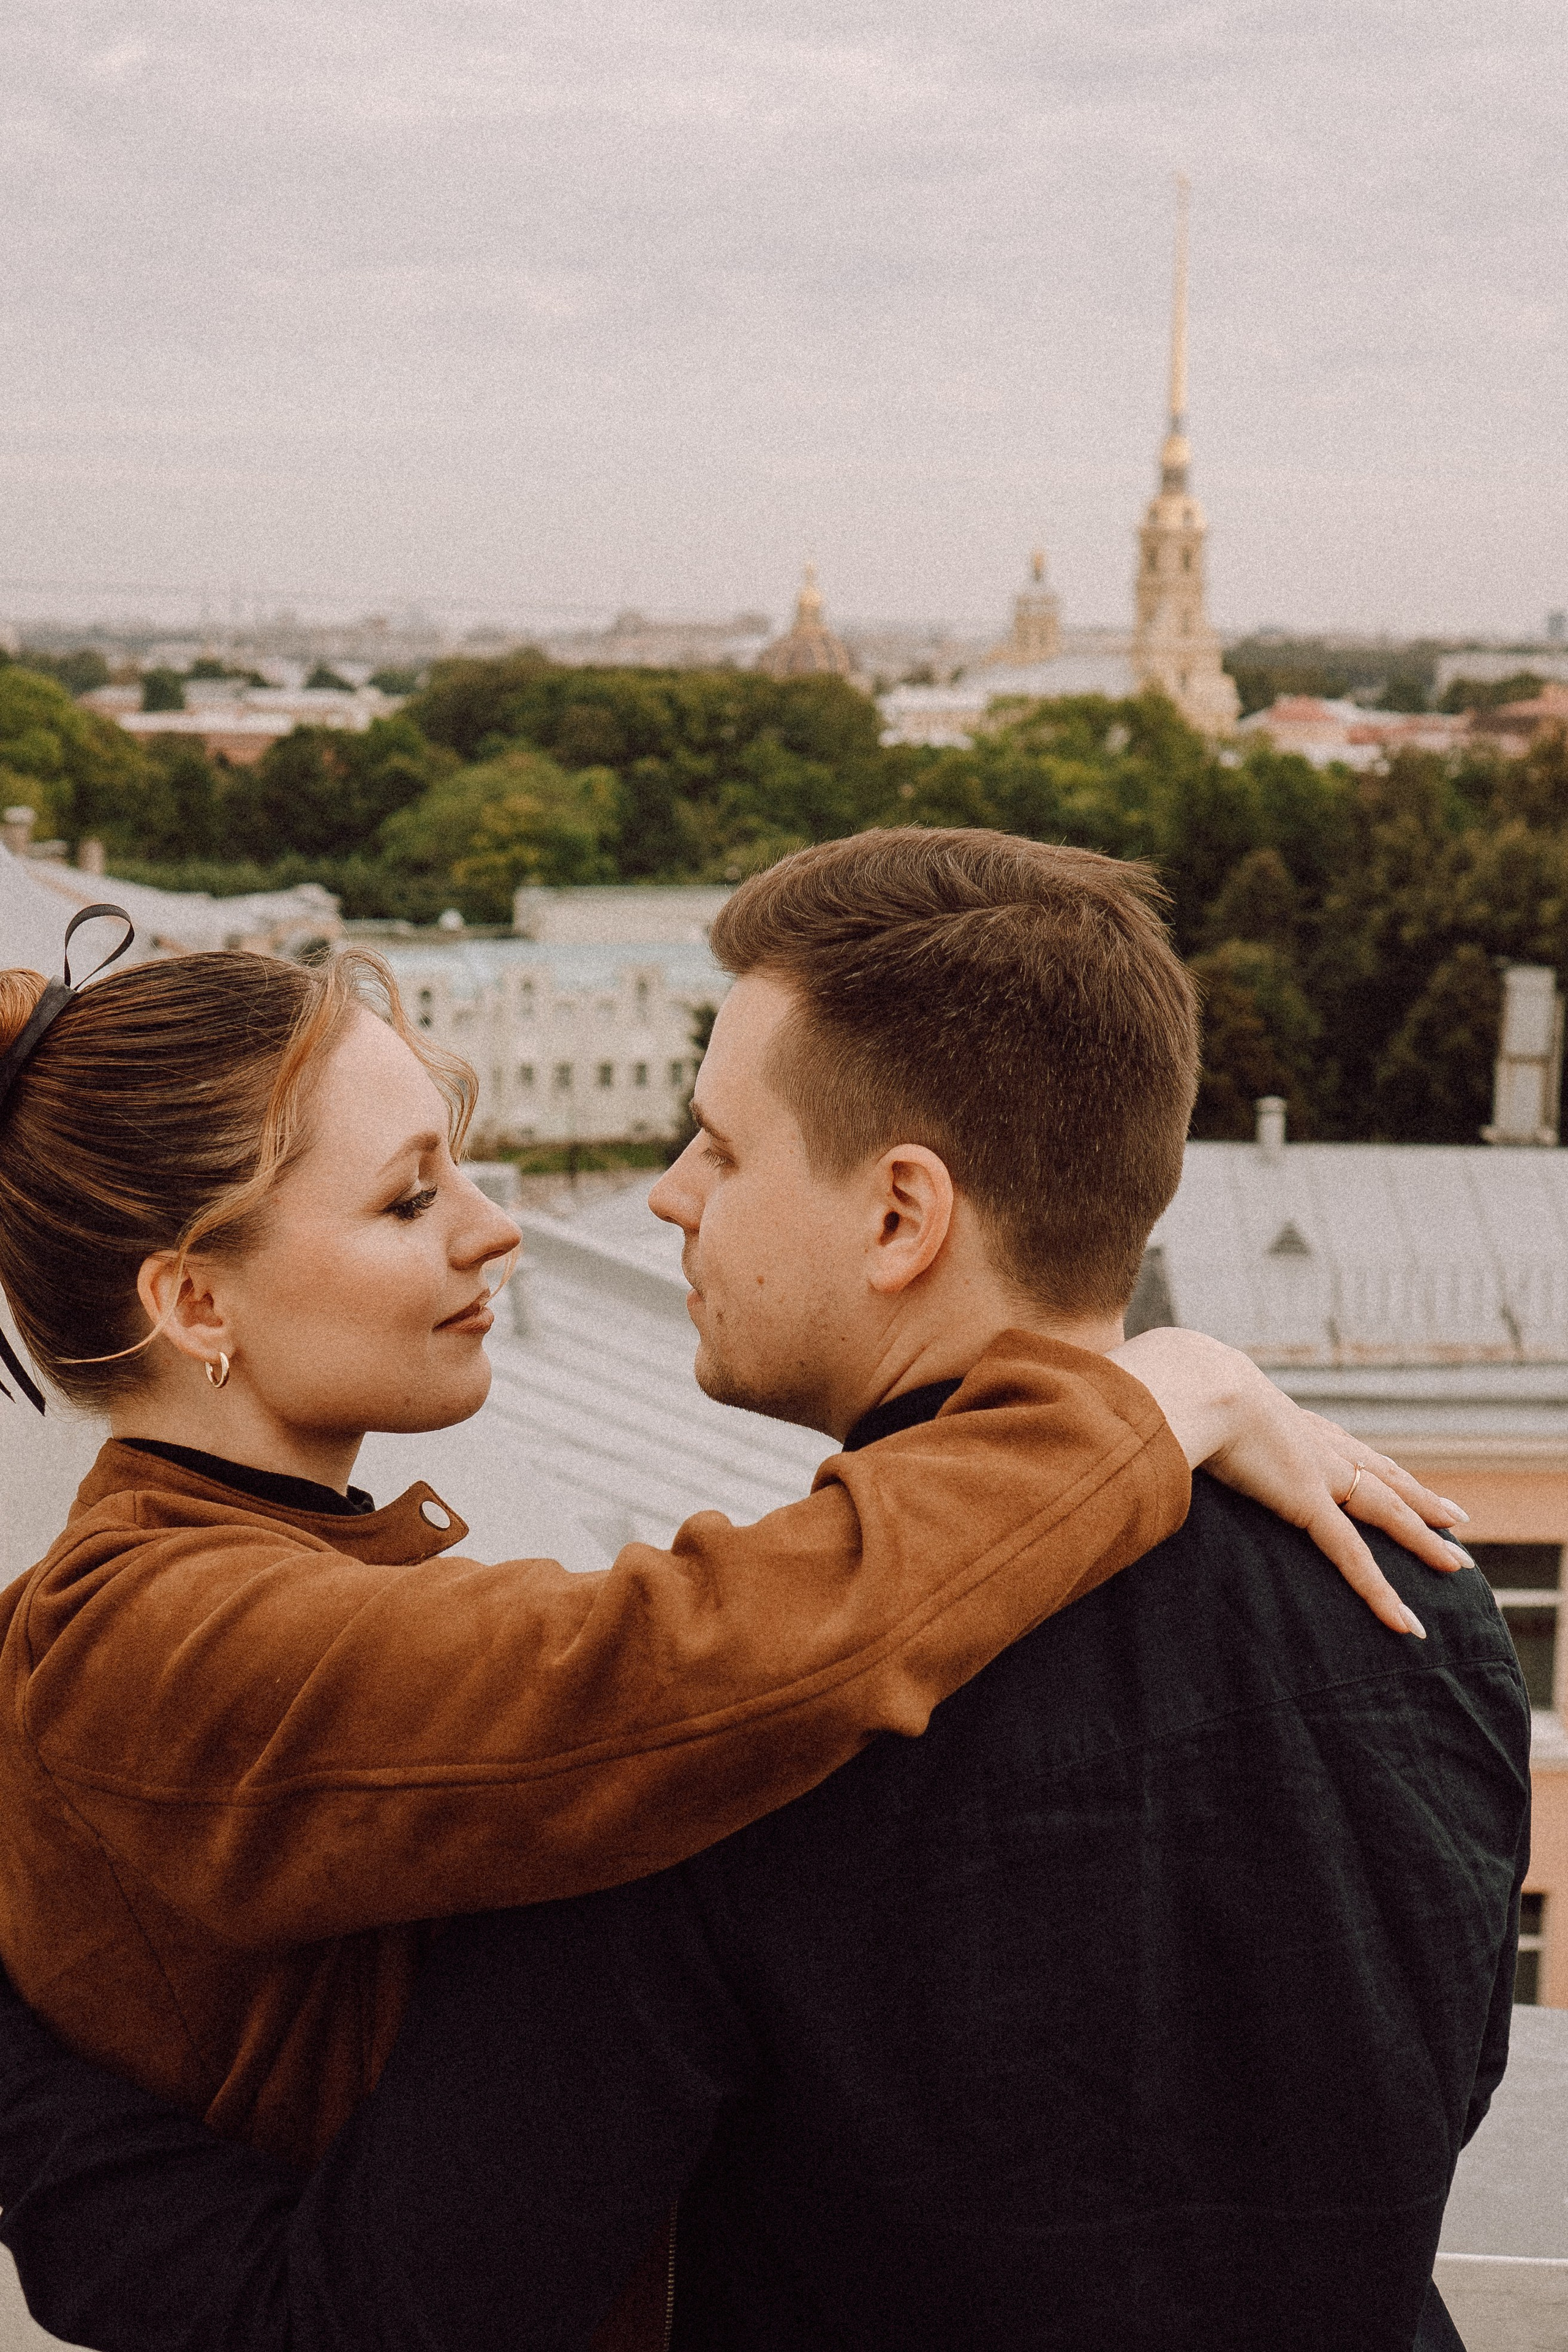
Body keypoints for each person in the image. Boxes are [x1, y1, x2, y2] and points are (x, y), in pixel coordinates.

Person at [0, 833, 1507, 2352]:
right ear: (192, 1300)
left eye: (719, 1146)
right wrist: (1146, 1395)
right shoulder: (1433, 1609)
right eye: (409, 1199)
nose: (649, 1197)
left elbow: (423, 2298)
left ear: (900, 1216)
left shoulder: (692, 1786)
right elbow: (1431, 2107)